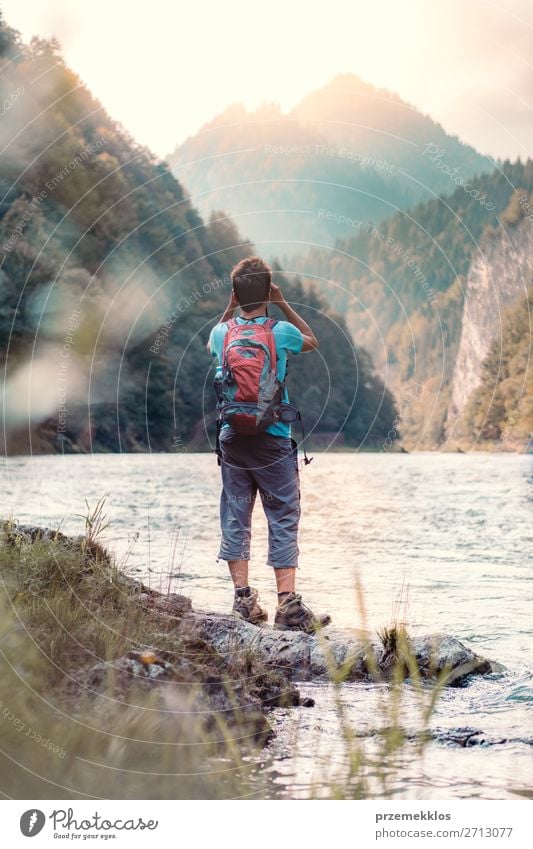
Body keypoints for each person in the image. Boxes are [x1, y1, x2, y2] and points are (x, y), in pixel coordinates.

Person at [208, 256, 331, 633]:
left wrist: (232, 306)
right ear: (267, 291)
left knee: (235, 515)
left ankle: (243, 600)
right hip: (273, 439)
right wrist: (282, 303)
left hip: (232, 437)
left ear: (234, 293)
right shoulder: (281, 331)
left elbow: (216, 332)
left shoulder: (221, 333)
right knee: (282, 516)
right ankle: (288, 607)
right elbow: (312, 340)